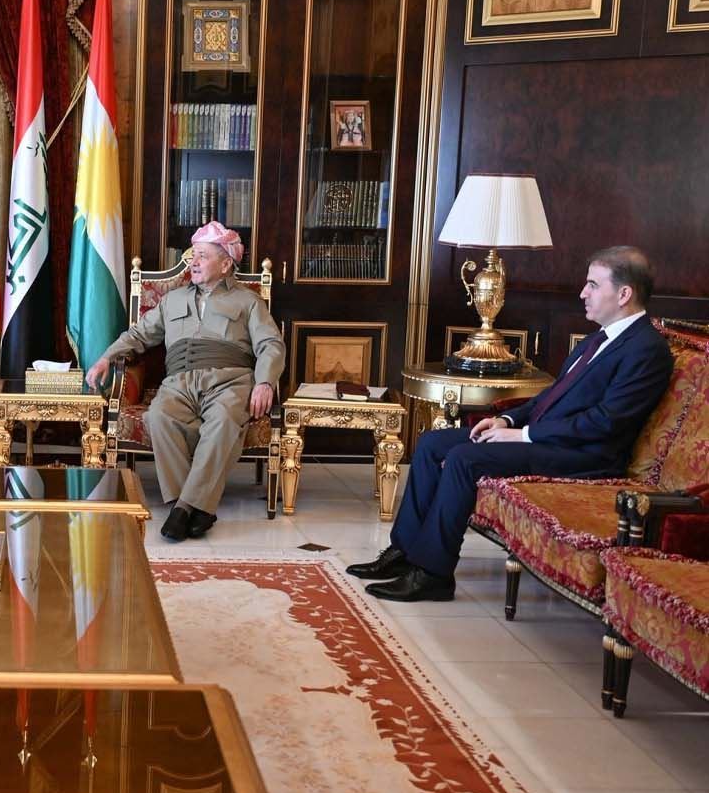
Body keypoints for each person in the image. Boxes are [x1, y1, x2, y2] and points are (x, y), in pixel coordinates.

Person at [350, 246, 674, 602]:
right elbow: (550, 397)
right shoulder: (600, 337)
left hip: (586, 456)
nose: (583, 293)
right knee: (431, 444)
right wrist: (504, 418)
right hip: (550, 440)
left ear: (624, 294)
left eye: (593, 285)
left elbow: (605, 423)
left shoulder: (646, 349)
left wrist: (523, 435)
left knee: (464, 458)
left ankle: (432, 574)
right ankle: (404, 551)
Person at [85, 222, 284, 541]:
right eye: (193, 256)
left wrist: (264, 382)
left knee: (223, 422)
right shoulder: (172, 300)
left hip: (230, 380)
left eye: (203, 256)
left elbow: (271, 344)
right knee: (158, 416)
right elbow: (139, 335)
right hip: (178, 382)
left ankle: (182, 509)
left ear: (225, 264)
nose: (194, 262)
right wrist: (106, 357)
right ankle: (197, 508)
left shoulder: (249, 302)